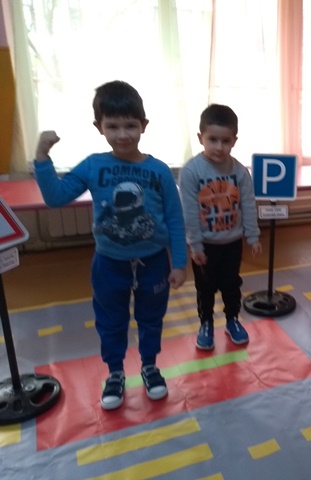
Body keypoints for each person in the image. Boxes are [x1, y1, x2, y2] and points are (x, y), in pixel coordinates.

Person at [33, 80, 187, 411]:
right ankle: (115, 373)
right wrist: (42, 157)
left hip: (154, 263)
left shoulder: (159, 171)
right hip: (109, 264)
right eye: (113, 126)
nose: (122, 134)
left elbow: (175, 219)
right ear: (99, 127)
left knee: (151, 319)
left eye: (130, 125)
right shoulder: (93, 165)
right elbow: (56, 197)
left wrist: (179, 263)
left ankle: (149, 366)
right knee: (111, 321)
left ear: (144, 125)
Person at [178, 104, 262, 351]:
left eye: (225, 141)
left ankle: (232, 320)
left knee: (231, 284)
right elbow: (189, 212)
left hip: (232, 242)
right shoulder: (191, 171)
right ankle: (206, 323)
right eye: (212, 140)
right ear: (200, 138)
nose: (219, 147)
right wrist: (195, 245)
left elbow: (248, 204)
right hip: (205, 245)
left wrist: (253, 236)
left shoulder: (239, 171)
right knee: (205, 287)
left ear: (234, 140)